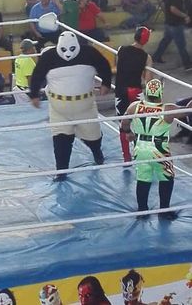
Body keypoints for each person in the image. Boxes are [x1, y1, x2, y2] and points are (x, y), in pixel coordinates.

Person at [30, 30, 112, 181]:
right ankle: (61, 171)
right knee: (61, 140)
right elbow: (37, 74)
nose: (68, 54)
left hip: (85, 106)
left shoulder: (89, 53)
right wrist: (34, 94)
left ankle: (97, 152)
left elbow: (104, 65)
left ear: (77, 46)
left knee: (93, 137)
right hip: (59, 108)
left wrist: (106, 83)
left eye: (72, 49)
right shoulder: (49, 56)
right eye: (64, 50)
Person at [121, 78, 192, 220]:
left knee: (143, 178)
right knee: (167, 177)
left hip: (140, 147)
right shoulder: (168, 109)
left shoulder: (134, 106)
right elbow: (188, 110)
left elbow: (124, 122)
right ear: (160, 93)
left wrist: (128, 133)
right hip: (159, 149)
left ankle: (142, 211)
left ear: (146, 92)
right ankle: (164, 210)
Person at [115, 26, 152, 163]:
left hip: (120, 90)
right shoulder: (146, 57)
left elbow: (119, 67)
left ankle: (126, 157)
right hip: (136, 91)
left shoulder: (121, 50)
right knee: (139, 123)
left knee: (122, 122)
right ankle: (139, 153)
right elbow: (148, 80)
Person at [152, 0, 192, 70]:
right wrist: (185, 16)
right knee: (181, 45)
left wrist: (167, 15)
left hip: (168, 22)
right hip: (176, 24)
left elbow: (163, 5)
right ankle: (187, 64)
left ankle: (156, 57)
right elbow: (173, 9)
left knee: (165, 41)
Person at [13, 38, 37, 104]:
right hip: (25, 91)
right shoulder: (28, 60)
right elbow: (30, 78)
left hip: (18, 89)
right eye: (33, 47)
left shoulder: (18, 58)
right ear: (29, 49)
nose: (35, 48)